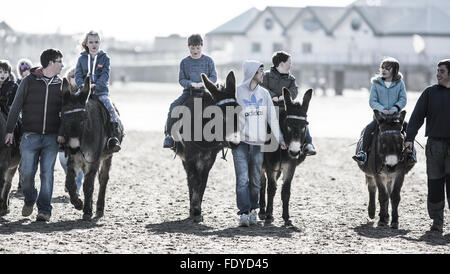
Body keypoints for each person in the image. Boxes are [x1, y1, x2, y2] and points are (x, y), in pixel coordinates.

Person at [5, 48, 65, 222]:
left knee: (47, 174)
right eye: (59, 61)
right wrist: (9, 130)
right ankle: (30, 198)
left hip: (51, 138)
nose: (62, 65)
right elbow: (16, 106)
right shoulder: (28, 81)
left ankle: (44, 210)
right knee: (26, 173)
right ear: (51, 63)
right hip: (30, 136)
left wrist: (61, 133)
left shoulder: (60, 84)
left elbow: (64, 113)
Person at [233, 60, 287, 227]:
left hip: (257, 143)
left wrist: (280, 138)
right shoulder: (237, 92)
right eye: (260, 71)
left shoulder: (264, 94)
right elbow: (229, 115)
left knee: (255, 179)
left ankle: (253, 211)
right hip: (240, 142)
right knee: (242, 179)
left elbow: (272, 117)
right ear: (252, 73)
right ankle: (243, 213)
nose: (263, 74)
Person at [405, 59, 450, 234]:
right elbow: (416, 117)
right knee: (435, 184)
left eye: (442, 71)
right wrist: (409, 138)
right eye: (437, 71)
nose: (438, 74)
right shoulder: (429, 93)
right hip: (434, 145)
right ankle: (437, 223)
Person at [163, 34, 217, 148]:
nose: (195, 50)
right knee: (174, 105)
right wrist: (190, 84)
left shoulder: (209, 61)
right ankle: (169, 136)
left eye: (198, 48)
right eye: (192, 48)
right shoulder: (184, 62)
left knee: (220, 107)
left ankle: (224, 137)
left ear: (202, 46)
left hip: (205, 92)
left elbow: (214, 77)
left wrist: (204, 83)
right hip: (189, 92)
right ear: (188, 47)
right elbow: (181, 79)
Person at [353, 57, 408, 164]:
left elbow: (403, 99)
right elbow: (372, 100)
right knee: (369, 129)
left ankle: (410, 152)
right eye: (382, 68)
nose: (383, 70)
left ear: (395, 70)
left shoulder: (400, 83)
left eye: (387, 68)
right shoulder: (376, 83)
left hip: (395, 117)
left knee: (408, 128)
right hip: (380, 118)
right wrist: (381, 109)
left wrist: (394, 108)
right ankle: (363, 153)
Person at [261, 51, 316, 156]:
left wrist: (286, 96)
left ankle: (308, 143)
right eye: (289, 63)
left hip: (286, 108)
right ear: (281, 64)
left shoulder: (291, 79)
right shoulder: (266, 76)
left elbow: (294, 91)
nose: (291, 65)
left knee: (301, 120)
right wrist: (272, 95)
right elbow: (262, 87)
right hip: (269, 107)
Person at [75, 31, 121, 152]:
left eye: (96, 42)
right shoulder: (81, 58)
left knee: (110, 108)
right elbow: (78, 75)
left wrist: (96, 86)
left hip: (101, 92)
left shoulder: (105, 58)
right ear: (86, 43)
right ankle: (69, 136)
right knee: (71, 106)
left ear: (100, 43)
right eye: (91, 42)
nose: (94, 44)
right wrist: (84, 86)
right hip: (84, 92)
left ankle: (113, 136)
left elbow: (105, 75)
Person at [59, 67, 84, 195]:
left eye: (78, 76)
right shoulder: (64, 94)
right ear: (69, 79)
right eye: (73, 76)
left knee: (78, 161)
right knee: (63, 160)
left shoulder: (84, 94)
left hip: (80, 137)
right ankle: (69, 178)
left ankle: (76, 188)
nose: (76, 79)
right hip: (66, 134)